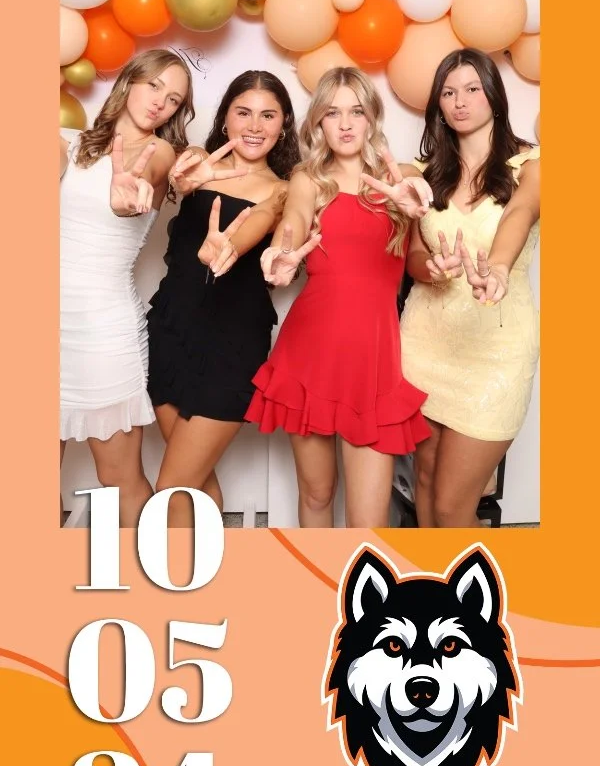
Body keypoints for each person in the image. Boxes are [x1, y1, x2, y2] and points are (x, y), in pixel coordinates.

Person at [246, 69, 432, 528]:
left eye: (356, 111)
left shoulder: (402, 178)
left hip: (373, 360)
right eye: (332, 113)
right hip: (310, 352)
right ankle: (318, 594)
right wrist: (280, 255)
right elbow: (290, 227)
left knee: (369, 520)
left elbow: (423, 254)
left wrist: (423, 216)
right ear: (318, 124)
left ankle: (362, 601)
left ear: (372, 119)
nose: (346, 124)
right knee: (316, 495)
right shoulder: (308, 179)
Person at [147, 73, 299, 527]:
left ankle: (175, 591)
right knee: (192, 481)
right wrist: (186, 175)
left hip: (231, 344)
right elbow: (178, 170)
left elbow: (268, 222)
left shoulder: (285, 190)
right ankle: (220, 580)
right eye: (243, 112)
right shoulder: (196, 161)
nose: (255, 125)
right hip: (171, 329)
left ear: (284, 124)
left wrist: (231, 249)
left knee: (171, 488)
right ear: (225, 117)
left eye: (268, 115)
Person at [400, 49, 540, 528]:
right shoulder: (419, 177)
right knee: (423, 482)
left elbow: (519, 215)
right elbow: (412, 257)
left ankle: (470, 600)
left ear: (494, 96)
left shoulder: (532, 165)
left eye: (471, 89)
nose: (460, 101)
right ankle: (424, 594)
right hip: (423, 341)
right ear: (438, 104)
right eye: (448, 92)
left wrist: (497, 268)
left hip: (494, 348)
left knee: (452, 507)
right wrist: (431, 268)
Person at [60, 49, 194, 525]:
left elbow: (148, 183)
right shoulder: (67, 143)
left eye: (174, 99)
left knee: (120, 480)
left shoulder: (160, 155)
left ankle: (148, 587)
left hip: (102, 334)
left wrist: (124, 201)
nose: (161, 103)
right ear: (129, 81)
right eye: (155, 86)